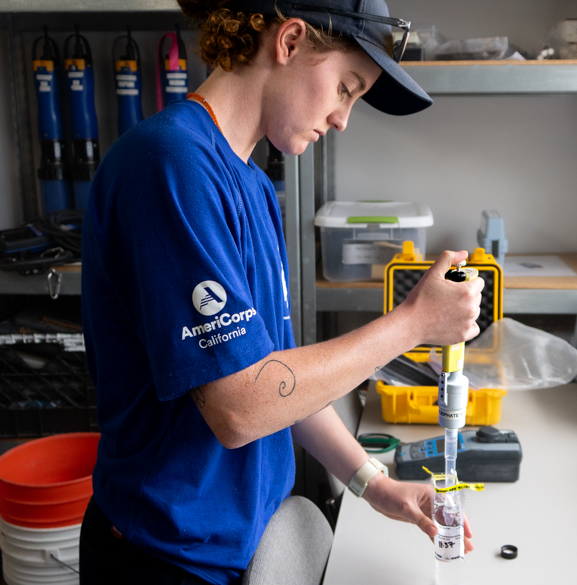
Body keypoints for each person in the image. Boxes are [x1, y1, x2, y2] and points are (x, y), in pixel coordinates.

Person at [78, 1, 483, 583]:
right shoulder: (168, 166)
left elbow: (279, 382)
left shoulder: (253, 184)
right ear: (290, 42)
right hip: (163, 557)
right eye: (345, 87)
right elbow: (242, 407)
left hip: (236, 546)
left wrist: (375, 485)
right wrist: (412, 324)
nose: (344, 117)